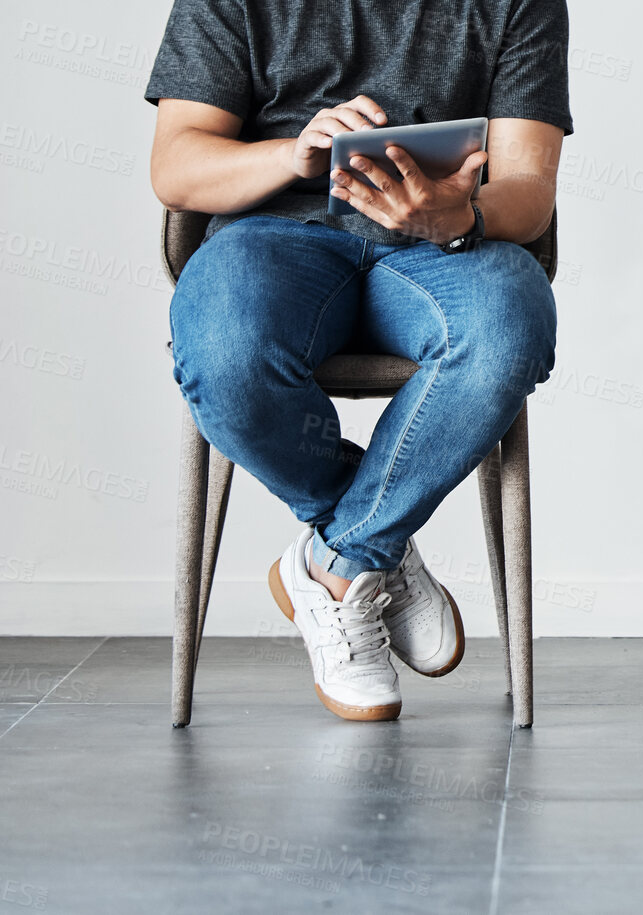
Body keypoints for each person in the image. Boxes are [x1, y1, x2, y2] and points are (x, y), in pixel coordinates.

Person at [147, 0, 570, 721]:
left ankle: (335, 562)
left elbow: (529, 192)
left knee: (508, 330)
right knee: (225, 353)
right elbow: (175, 165)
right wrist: (291, 154)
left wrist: (458, 214)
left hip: (443, 246)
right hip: (275, 236)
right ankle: (374, 546)